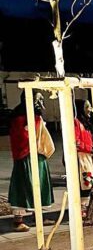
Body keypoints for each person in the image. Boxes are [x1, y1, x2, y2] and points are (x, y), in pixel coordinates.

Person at [8, 92, 55, 232]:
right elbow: (20, 137)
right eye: (37, 99)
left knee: (39, 185)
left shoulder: (36, 114)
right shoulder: (19, 115)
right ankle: (18, 220)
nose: (40, 102)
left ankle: (38, 216)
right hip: (26, 156)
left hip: (38, 154)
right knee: (23, 185)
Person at [74, 99, 93, 221]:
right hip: (81, 157)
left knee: (90, 181)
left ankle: (87, 207)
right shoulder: (76, 123)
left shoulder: (87, 123)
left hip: (89, 156)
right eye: (87, 107)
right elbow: (76, 141)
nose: (90, 109)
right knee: (84, 181)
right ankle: (81, 208)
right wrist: (89, 148)